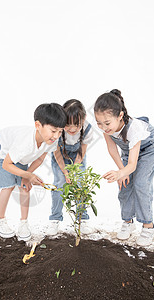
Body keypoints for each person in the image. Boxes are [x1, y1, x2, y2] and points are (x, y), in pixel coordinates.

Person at [94, 89, 154, 246]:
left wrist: (121, 172)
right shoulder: (106, 128)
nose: (103, 127)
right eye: (99, 123)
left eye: (106, 123)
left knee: (140, 184)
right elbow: (112, 149)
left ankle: (148, 226)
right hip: (128, 150)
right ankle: (128, 222)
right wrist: (121, 173)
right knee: (124, 185)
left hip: (148, 148)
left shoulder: (134, 128)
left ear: (119, 116)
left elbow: (132, 165)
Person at [0, 103, 67, 241]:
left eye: (60, 131)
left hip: (20, 155)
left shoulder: (51, 140)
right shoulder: (24, 143)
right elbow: (6, 164)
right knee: (8, 186)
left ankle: (23, 223)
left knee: (24, 186)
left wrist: (27, 177)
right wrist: (29, 175)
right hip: (2, 147)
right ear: (38, 125)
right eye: (53, 130)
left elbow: (39, 160)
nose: (56, 136)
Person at [48, 99, 94, 236]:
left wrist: (73, 172)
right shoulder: (57, 130)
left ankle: (82, 218)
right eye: (68, 125)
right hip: (60, 157)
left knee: (80, 184)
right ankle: (55, 219)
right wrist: (66, 172)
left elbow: (82, 152)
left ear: (84, 119)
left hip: (77, 157)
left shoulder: (87, 129)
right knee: (60, 184)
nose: (72, 129)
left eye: (77, 125)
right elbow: (56, 152)